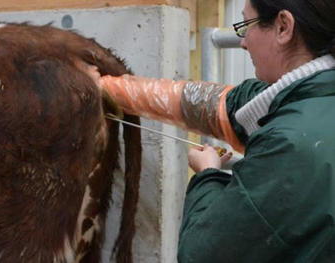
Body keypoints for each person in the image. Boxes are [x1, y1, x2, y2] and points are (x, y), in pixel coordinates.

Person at [99, 0, 335, 262]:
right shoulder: (312, 99)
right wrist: (108, 88)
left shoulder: (289, 145)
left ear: (283, 27)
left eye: (246, 26)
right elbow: (228, 105)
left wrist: (208, 175)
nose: (243, 43)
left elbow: (202, 252)